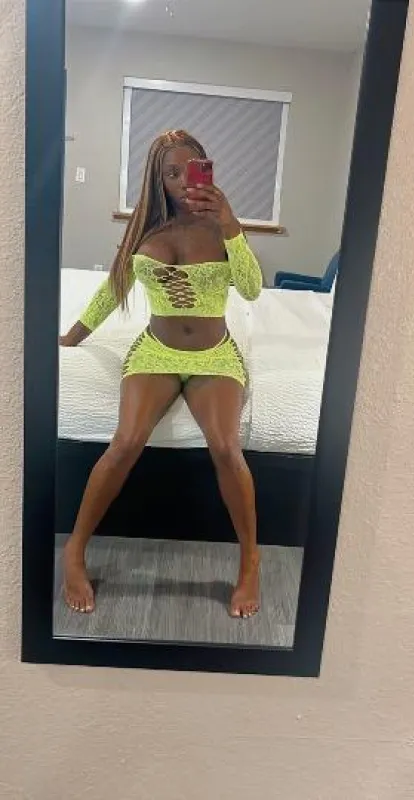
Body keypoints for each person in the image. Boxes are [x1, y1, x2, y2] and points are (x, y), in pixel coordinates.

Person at [60, 129, 263, 619]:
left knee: (225, 447)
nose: (182, 182)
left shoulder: (221, 227)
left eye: (189, 170)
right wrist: (71, 337)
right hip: (156, 351)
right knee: (126, 442)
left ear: (204, 169)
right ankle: (74, 550)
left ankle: (250, 562)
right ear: (158, 179)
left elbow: (252, 289)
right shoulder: (145, 231)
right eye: (171, 173)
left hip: (214, 354)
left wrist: (231, 224)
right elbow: (113, 289)